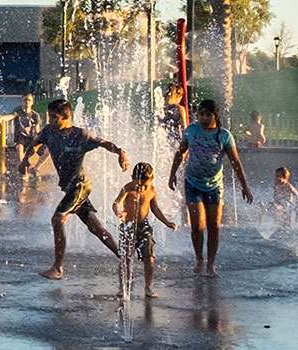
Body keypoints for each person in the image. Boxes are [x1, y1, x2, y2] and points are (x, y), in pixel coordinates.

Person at [37, 99, 130, 280]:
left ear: (67, 116)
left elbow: (104, 143)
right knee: (95, 227)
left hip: (80, 185)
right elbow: (35, 142)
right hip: (71, 187)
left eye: (54, 117)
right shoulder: (49, 131)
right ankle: (124, 256)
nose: (50, 120)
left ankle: (57, 268)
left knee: (57, 219)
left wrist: (120, 152)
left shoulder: (81, 135)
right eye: (49, 116)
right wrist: (25, 160)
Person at [166, 99, 253, 277]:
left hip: (214, 186)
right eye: (201, 114)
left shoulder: (224, 135)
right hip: (193, 183)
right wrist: (172, 174)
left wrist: (245, 187)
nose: (204, 118)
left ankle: (210, 264)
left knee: (214, 225)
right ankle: (199, 259)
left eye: (208, 114)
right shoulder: (191, 131)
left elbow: (235, 162)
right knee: (197, 225)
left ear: (216, 116)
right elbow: (180, 152)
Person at [112, 162, 177, 298]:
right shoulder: (128, 189)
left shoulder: (152, 190)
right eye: (138, 185)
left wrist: (166, 222)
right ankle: (122, 287)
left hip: (144, 227)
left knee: (150, 257)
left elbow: (155, 209)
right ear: (132, 178)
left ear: (152, 179)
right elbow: (116, 202)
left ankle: (148, 287)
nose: (141, 188)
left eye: (144, 185)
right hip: (128, 227)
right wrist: (119, 212)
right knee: (125, 258)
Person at [9, 94, 45, 176]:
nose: (27, 102)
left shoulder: (35, 115)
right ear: (21, 101)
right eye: (25, 100)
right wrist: (2, 118)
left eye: (29, 100)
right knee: (19, 147)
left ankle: (35, 168)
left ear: (32, 102)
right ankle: (23, 169)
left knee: (48, 150)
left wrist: (36, 142)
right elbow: (11, 116)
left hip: (31, 139)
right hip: (20, 138)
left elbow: (36, 130)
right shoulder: (18, 111)